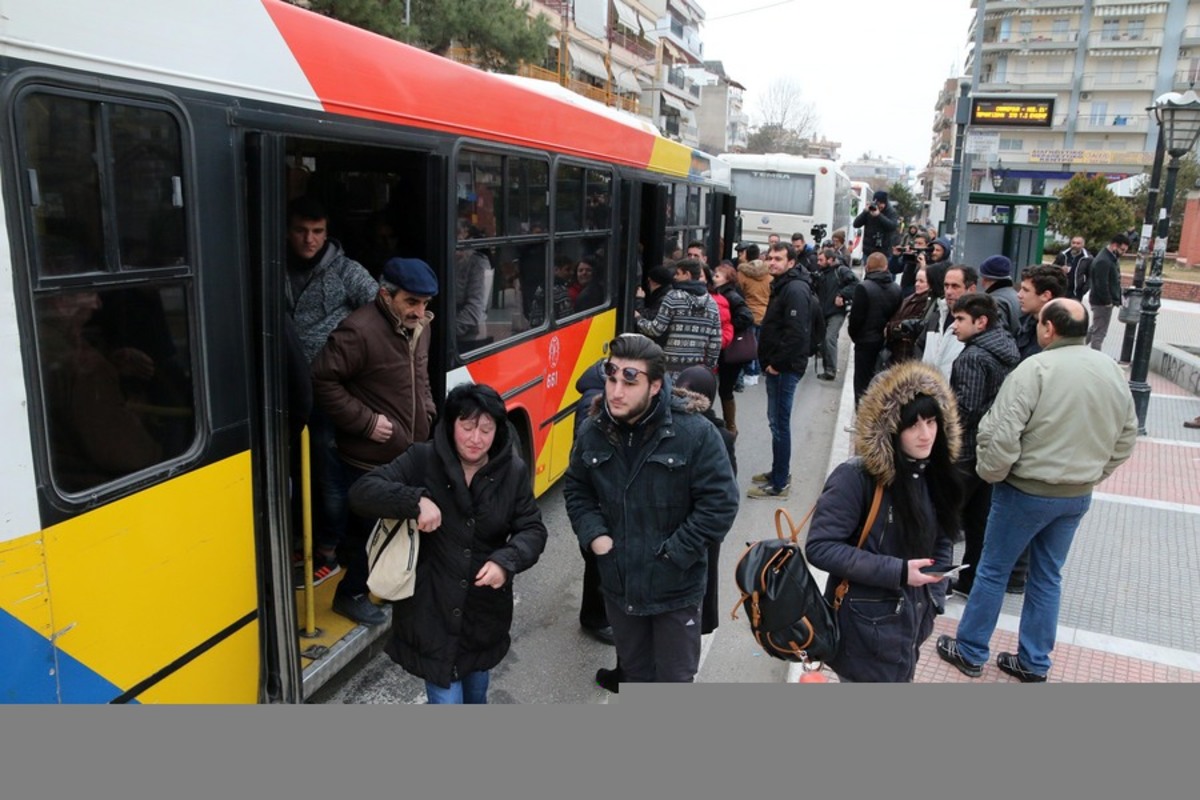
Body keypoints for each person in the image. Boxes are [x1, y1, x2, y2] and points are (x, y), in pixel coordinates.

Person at [937, 299, 1137, 682]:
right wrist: (1094, 473)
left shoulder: (1036, 368)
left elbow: (1001, 431)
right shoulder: (1109, 369)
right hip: (1075, 494)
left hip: (1025, 490)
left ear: (1048, 329)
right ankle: (1033, 661)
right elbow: (1127, 435)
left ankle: (971, 649)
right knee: (1047, 576)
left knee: (993, 570)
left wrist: (993, 474)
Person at [348, 383, 547, 703]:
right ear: (451, 424)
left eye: (486, 429)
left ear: (498, 430)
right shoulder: (422, 459)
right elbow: (363, 492)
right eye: (467, 427)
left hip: (483, 614)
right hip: (432, 612)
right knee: (447, 700)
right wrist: (414, 501)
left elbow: (533, 530)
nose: (475, 438)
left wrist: (506, 561)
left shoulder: (512, 471)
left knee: (477, 695)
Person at [564, 334, 739, 685]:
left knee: (673, 682)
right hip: (619, 588)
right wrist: (596, 536)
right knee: (636, 675)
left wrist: (673, 554)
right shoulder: (593, 430)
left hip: (675, 591)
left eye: (630, 381)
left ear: (656, 385)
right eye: (611, 378)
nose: (616, 391)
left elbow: (720, 504)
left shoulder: (696, 433)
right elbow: (577, 488)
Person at [806, 360, 964, 682]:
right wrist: (899, 571)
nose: (925, 435)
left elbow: (943, 539)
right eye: (913, 425)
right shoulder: (856, 478)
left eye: (932, 422)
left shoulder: (932, 473)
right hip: (864, 632)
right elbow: (820, 547)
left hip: (911, 625)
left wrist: (935, 597)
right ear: (889, 429)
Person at [310, 257, 438, 626]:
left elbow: (420, 375)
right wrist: (366, 423)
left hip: (407, 450)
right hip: (369, 455)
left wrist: (427, 411)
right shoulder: (359, 330)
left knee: (379, 529)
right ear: (386, 294)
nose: (420, 311)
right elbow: (321, 381)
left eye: (425, 303)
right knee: (371, 531)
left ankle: (374, 583)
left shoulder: (421, 326)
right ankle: (349, 595)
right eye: (411, 302)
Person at [284, 196, 379, 588]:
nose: (310, 240)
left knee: (328, 474)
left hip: (326, 394)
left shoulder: (345, 271)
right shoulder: (273, 267)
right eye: (302, 231)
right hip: (285, 389)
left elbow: (382, 312)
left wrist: (349, 357)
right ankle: (299, 537)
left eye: (318, 231)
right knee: (292, 472)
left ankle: (329, 549)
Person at [945, 292, 1019, 598]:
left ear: (981, 321)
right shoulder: (1006, 348)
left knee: (944, 518)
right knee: (978, 523)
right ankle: (969, 580)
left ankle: (936, 582)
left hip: (964, 452)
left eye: (960, 319)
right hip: (989, 452)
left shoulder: (974, 356)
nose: (953, 326)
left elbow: (966, 408)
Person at [748, 242, 816, 499]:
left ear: (791, 263)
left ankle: (779, 484)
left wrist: (775, 363)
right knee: (776, 423)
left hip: (784, 369)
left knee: (779, 425)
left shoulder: (795, 289)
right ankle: (778, 471)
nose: (772, 262)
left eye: (778, 258)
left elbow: (796, 334)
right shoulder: (784, 284)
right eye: (770, 257)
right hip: (780, 367)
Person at [633, 258, 722, 378]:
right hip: (695, 370)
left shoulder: (673, 297)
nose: (674, 277)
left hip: (670, 368)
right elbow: (715, 341)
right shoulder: (712, 303)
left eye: (678, 273)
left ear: (688, 274)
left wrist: (639, 319)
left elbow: (656, 329)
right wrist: (708, 367)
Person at [848, 252, 901, 407]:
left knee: (862, 384)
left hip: (865, 342)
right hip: (887, 342)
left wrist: (855, 336)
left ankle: (862, 417)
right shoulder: (896, 289)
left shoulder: (863, 288)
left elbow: (856, 319)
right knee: (883, 383)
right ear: (886, 267)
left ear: (867, 267)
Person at [711, 263, 754, 435]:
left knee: (725, 389)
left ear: (727, 279)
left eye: (718, 276)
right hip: (724, 349)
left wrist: (727, 327)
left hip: (730, 351)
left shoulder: (731, 296)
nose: (714, 278)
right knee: (723, 388)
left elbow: (746, 316)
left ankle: (731, 427)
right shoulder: (721, 293)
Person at [811, 246, 859, 381]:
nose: (818, 263)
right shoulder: (821, 273)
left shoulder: (841, 271)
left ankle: (831, 370)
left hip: (836, 312)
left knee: (829, 338)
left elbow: (855, 284)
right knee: (824, 340)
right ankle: (827, 368)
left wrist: (841, 295)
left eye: (821, 260)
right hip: (823, 312)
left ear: (830, 260)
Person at [922, 264, 977, 380]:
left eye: (955, 286)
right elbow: (920, 345)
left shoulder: (977, 324)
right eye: (946, 286)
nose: (948, 291)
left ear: (971, 289)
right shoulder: (937, 316)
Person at [882, 267, 936, 367]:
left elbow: (911, 325)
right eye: (916, 280)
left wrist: (890, 328)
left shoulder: (925, 303)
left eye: (921, 281)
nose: (917, 284)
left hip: (906, 354)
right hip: (897, 351)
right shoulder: (911, 298)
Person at [1086, 233, 1130, 352]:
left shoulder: (1108, 257)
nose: (1123, 253)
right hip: (1102, 302)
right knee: (1099, 332)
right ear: (1114, 245)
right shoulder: (1104, 260)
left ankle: (1077, 347)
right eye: (1122, 250)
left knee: (1095, 327)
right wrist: (1108, 302)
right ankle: (1095, 358)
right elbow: (1102, 283)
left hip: (1101, 300)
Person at [1014, 265, 1068, 361]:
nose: (1019, 295)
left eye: (1025, 290)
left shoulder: (1059, 335)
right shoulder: (1026, 321)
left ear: (1045, 295)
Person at [736, 255, 772, 386]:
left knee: (749, 345)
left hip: (749, 314)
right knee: (758, 345)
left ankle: (750, 371)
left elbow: (739, 291)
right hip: (764, 314)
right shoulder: (769, 277)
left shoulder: (743, 275)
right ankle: (756, 371)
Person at [977, 255, 1021, 336]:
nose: (982, 283)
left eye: (983, 278)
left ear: (986, 279)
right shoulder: (1016, 295)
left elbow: (998, 335)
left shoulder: (994, 302)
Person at [852, 190, 900, 260]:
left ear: (885, 203)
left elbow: (892, 226)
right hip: (868, 251)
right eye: (877, 203)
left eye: (881, 203)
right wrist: (864, 212)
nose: (879, 206)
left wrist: (879, 215)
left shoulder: (891, 212)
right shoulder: (870, 210)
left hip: (884, 251)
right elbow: (856, 224)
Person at [1053, 236, 1091, 300]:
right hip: (1061, 291)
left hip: (1076, 293)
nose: (1075, 245)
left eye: (1078, 243)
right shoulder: (1062, 255)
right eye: (1073, 243)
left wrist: (1084, 290)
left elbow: (1091, 276)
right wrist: (1060, 269)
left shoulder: (1087, 258)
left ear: (1083, 245)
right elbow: (1052, 269)